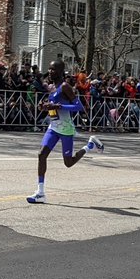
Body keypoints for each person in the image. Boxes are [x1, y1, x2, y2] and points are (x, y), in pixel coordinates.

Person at [27, 60, 103, 204]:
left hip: (66, 129)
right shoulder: (51, 87)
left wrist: (58, 106)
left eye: (53, 69)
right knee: (41, 154)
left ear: (61, 72)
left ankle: (89, 145)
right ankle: (40, 192)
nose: (50, 71)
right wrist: (43, 106)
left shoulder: (64, 87)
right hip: (53, 127)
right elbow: (52, 106)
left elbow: (79, 107)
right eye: (49, 69)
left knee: (68, 163)